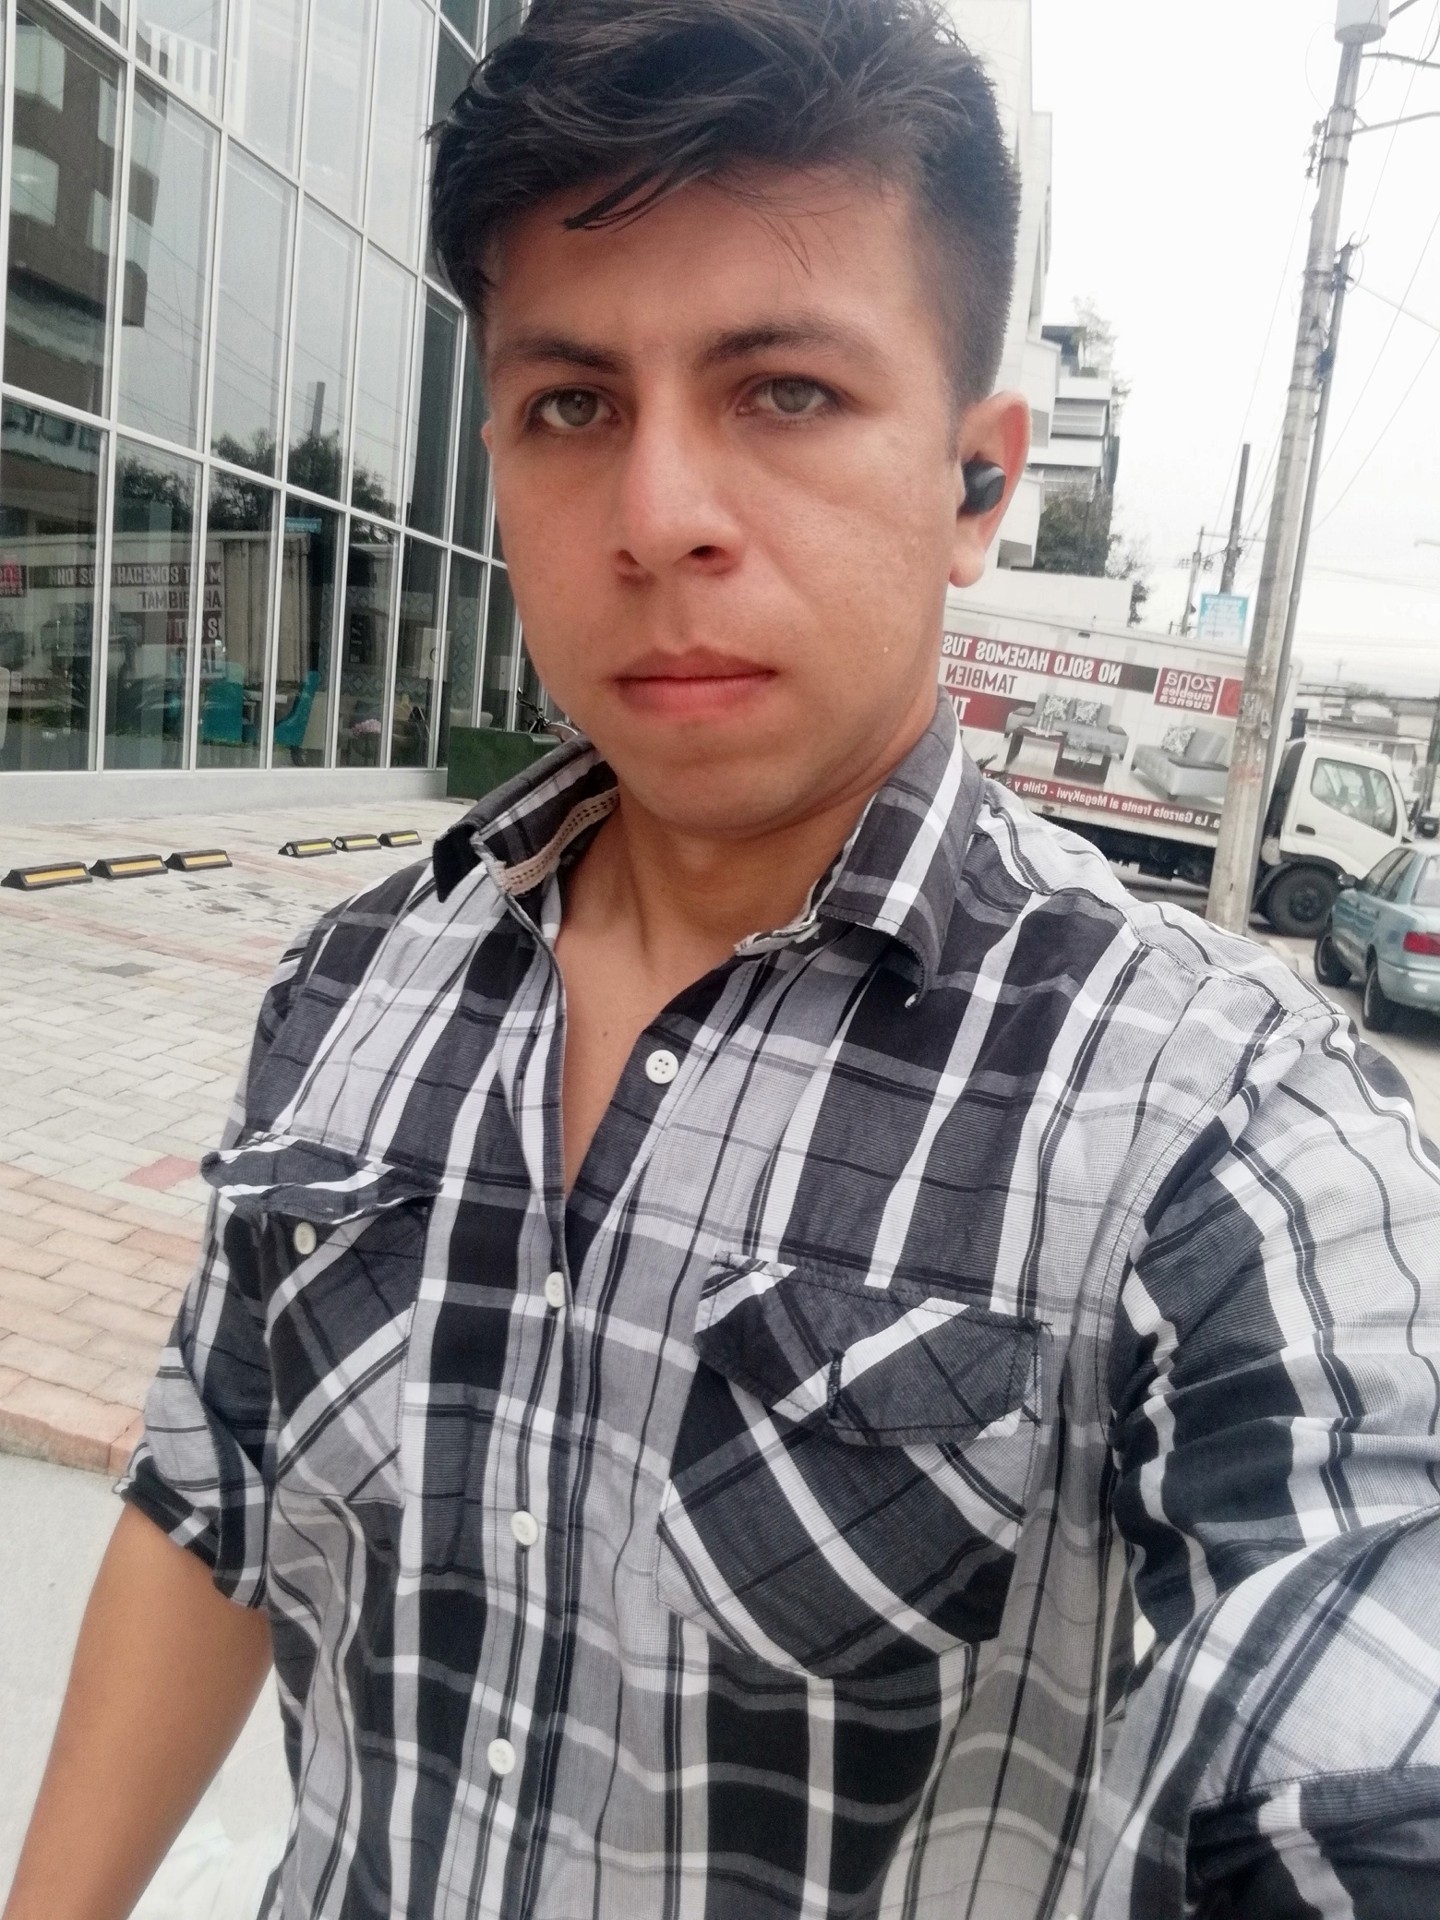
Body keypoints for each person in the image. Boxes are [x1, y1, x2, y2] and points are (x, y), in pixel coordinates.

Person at [8, 1, 1440, 1914]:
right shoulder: (354, 981)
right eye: (572, 406)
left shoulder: (1221, 1127)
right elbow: (217, 1502)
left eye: (783, 392)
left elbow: (1357, 1717)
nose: (659, 519)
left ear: (978, 483)